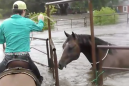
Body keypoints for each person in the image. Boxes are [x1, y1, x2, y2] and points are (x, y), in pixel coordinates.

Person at [0, 0, 44, 83]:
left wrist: (9, 37)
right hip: (24, 57)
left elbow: (1, 40)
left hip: (8, 58)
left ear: (13, 11)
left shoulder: (4, 23)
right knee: (38, 77)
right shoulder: (28, 21)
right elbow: (40, 28)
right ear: (23, 11)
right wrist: (41, 20)